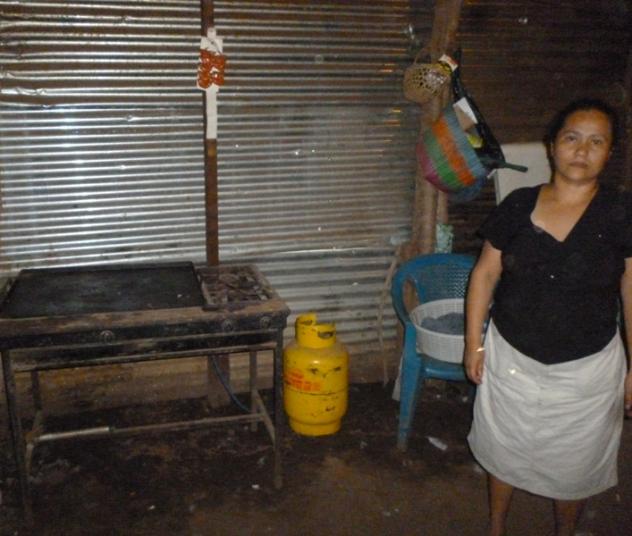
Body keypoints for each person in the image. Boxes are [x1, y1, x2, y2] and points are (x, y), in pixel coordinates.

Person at [464, 98, 632, 536]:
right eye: (572, 138)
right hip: (511, 357)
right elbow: (484, 274)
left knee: (574, 463)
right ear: (552, 145)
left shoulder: (621, 212)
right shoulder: (518, 205)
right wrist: (473, 344)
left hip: (587, 368)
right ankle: (496, 527)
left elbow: (631, 289)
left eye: (597, 141)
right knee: (503, 447)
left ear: (610, 153)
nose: (582, 150)